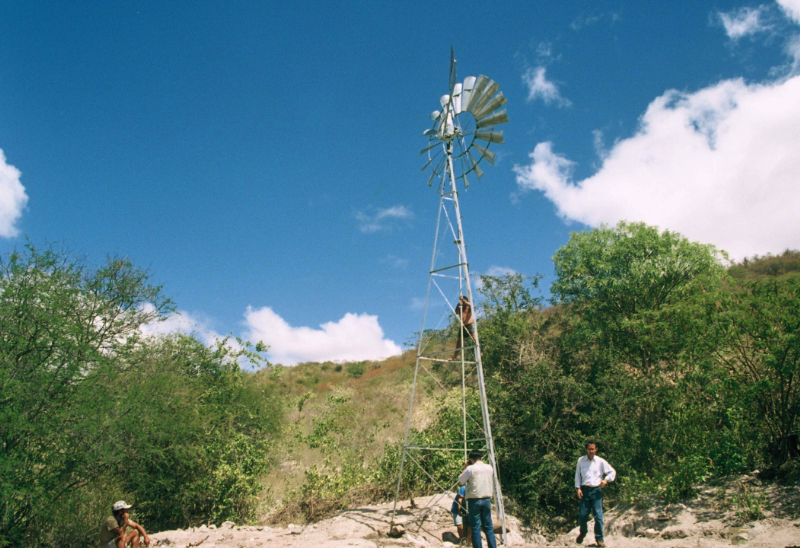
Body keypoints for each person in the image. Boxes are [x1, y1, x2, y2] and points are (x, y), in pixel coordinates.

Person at [574, 442, 616, 547]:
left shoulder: (600, 461)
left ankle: (599, 539)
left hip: (596, 491)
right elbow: (577, 476)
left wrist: (606, 480)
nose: (591, 451)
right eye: (589, 449)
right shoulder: (581, 461)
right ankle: (583, 532)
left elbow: (612, 472)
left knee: (598, 516)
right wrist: (578, 488)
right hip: (585, 490)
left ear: (596, 450)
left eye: (593, 449)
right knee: (583, 515)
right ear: (586, 449)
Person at [458, 450, 496, 548]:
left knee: (475, 528)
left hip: (474, 500)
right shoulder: (489, 467)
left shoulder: (470, 468)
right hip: (487, 499)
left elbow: (461, 480)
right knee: (488, 527)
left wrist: (465, 467)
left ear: (471, 459)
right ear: (481, 458)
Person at [452, 296, 476, 361]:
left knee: (474, 339)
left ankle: (480, 352)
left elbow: (470, 304)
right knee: (458, 343)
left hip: (469, 325)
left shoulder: (469, 307)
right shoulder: (460, 308)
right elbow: (455, 312)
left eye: (464, 301)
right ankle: (454, 357)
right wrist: (458, 304)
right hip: (463, 326)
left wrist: (463, 300)